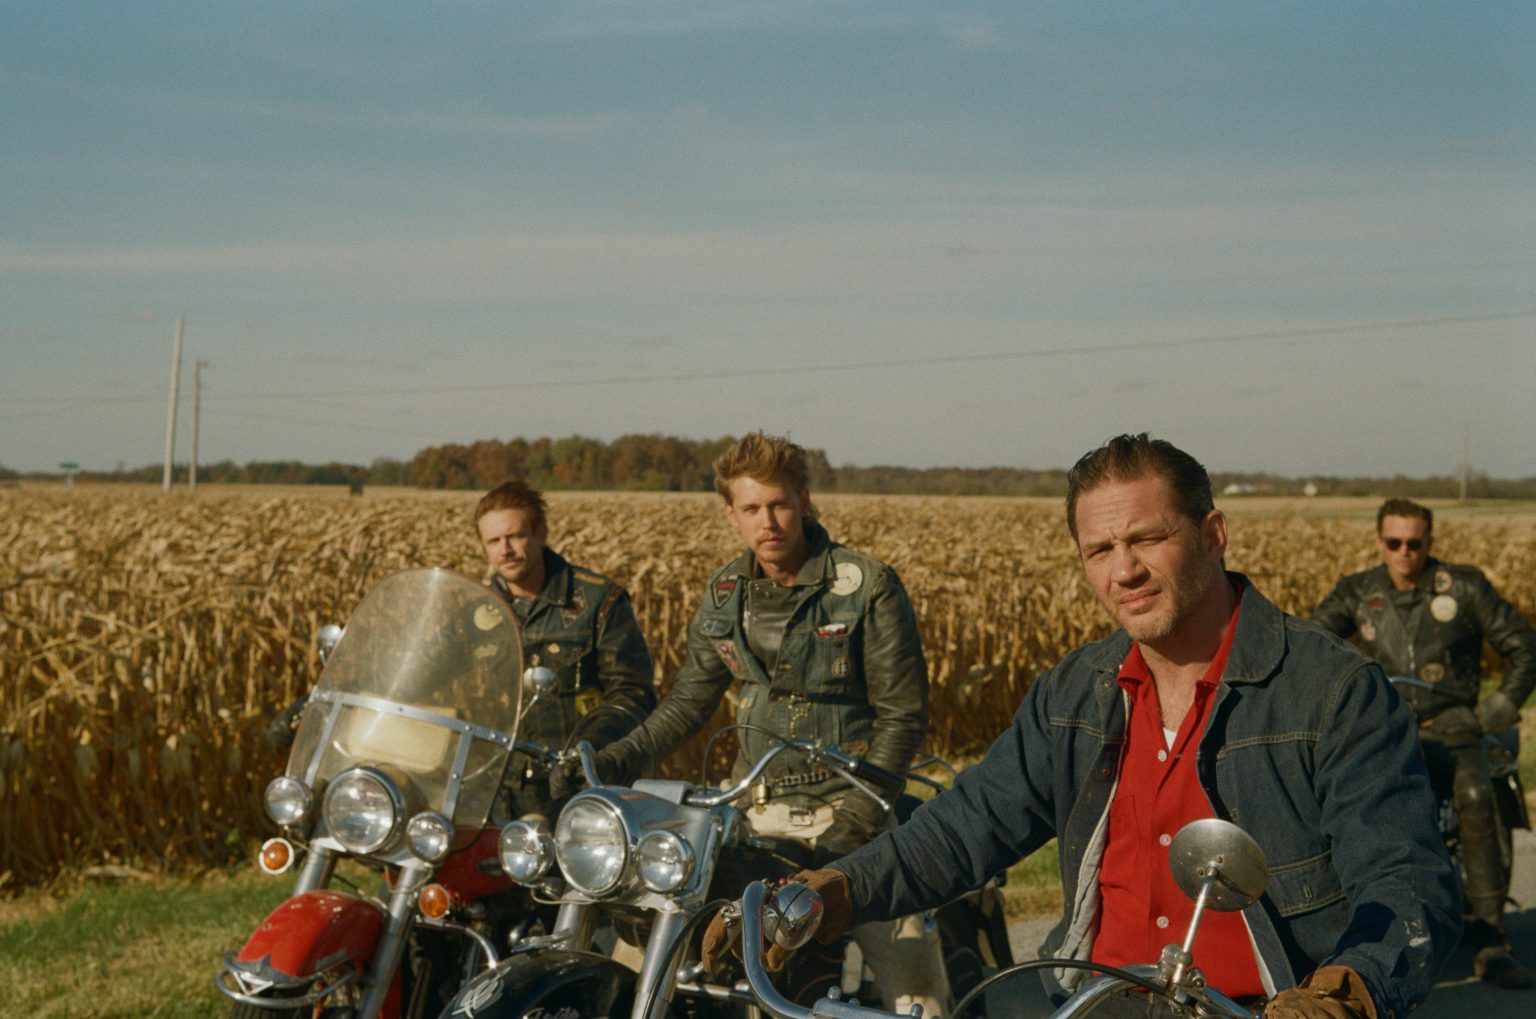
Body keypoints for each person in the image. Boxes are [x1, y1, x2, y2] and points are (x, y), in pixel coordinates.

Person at [713, 434, 1461, 1019]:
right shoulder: (1078, 690)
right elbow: (965, 824)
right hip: (1098, 1004)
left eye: (1147, 538)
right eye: (1100, 550)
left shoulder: (1331, 693)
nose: (1123, 569)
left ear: (1212, 534)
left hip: (1262, 1006)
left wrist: (1344, 992)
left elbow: (1405, 881)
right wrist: (833, 893)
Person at [595, 431, 950, 1018]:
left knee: (913, 985)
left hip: (853, 812)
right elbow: (689, 701)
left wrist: (856, 828)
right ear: (731, 515)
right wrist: (618, 758)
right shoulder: (726, 595)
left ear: (805, 501)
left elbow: (902, 716)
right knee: (649, 957)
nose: (770, 521)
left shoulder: (863, 587)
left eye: (780, 504)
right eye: (753, 508)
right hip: (752, 816)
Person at [1312, 497, 1536, 989]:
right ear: (1380, 543)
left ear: (1430, 543)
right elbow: (1313, 645)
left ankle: (1491, 940)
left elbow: (1524, 645)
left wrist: (1494, 711)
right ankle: (1345, 935)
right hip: (1383, 728)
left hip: (1452, 726)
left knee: (1477, 797)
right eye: (1394, 543)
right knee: (1334, 802)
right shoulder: (1358, 590)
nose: (1405, 553)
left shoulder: (1465, 586)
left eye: (1415, 543)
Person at [475, 480, 657, 818]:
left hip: (577, 789)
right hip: (495, 791)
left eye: (515, 536)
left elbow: (633, 692)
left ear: (541, 534)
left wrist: (588, 751)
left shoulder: (597, 601)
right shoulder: (474, 611)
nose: (506, 550)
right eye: (494, 541)